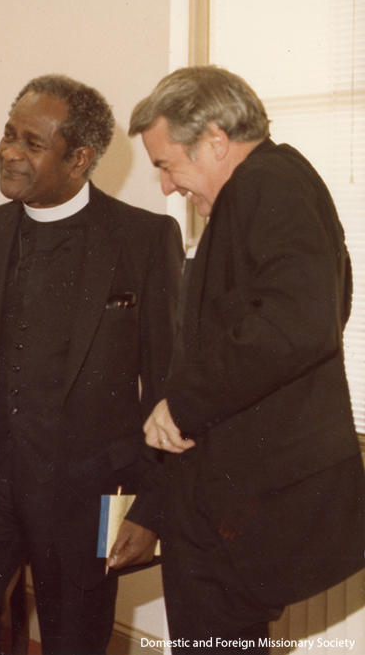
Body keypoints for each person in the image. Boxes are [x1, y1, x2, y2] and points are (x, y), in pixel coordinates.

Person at [0, 74, 183, 655]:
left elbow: (167, 388)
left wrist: (150, 511)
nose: (9, 152)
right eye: (9, 134)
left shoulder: (144, 239)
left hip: (84, 499)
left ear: (80, 158)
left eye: (32, 143)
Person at [122, 65, 365, 654]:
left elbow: (298, 322)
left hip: (240, 507)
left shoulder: (268, 184)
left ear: (215, 140)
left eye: (166, 165)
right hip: (231, 498)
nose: (167, 187)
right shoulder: (273, 183)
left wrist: (183, 404)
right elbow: (321, 307)